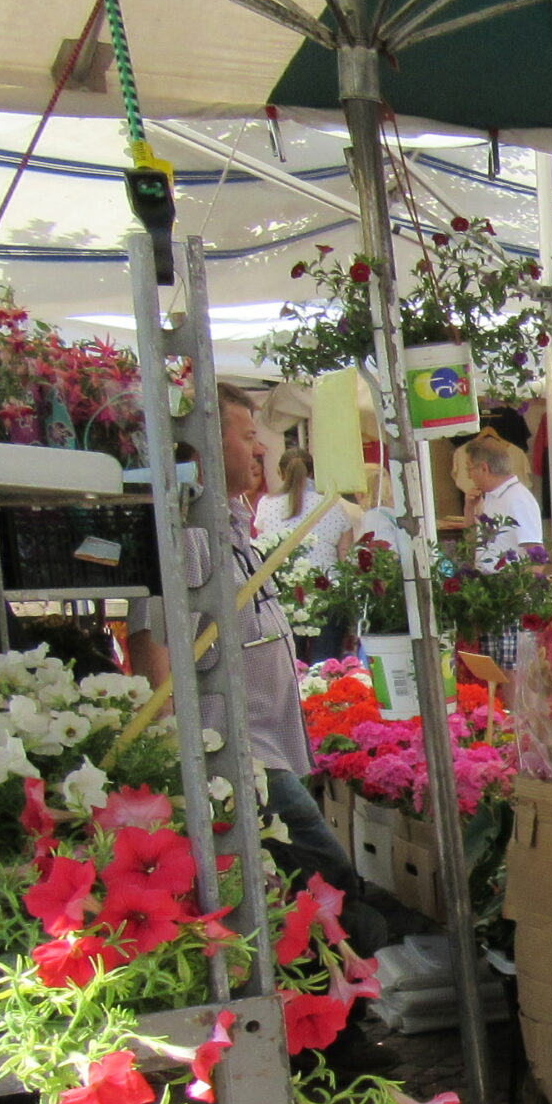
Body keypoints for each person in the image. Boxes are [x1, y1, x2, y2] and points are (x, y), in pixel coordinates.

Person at [128, 383, 362, 919]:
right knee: (334, 879)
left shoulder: (229, 527)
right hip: (235, 760)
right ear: (203, 445)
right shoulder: (186, 535)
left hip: (260, 757)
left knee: (306, 889)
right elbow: (156, 646)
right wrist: (175, 759)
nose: (262, 451)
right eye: (250, 436)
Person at [255, 445, 358, 664]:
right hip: (328, 591)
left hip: (285, 593)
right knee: (327, 664)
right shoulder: (333, 506)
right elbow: (344, 556)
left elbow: (263, 548)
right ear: (313, 472)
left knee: (291, 664)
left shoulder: (266, 505)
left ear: (281, 473)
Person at [462, 432, 542, 566]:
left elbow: (537, 554)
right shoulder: (492, 496)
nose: (470, 476)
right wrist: (470, 508)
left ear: (484, 468)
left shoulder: (518, 499)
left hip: (509, 582)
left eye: (469, 469)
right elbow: (473, 542)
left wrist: (522, 587)